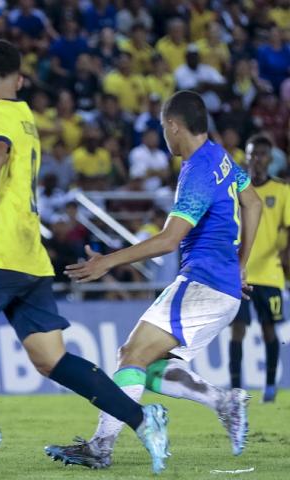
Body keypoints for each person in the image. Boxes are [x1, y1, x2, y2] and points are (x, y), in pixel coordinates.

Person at [0, 39, 170, 473]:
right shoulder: (26, 117)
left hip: (6, 253)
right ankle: (141, 417)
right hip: (30, 255)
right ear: (19, 79)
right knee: (51, 360)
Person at [45, 90, 262, 469]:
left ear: (174, 126)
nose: (165, 136)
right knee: (150, 365)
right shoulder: (220, 157)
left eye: (164, 129)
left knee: (130, 356)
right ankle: (223, 402)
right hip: (222, 287)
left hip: (203, 283)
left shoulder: (196, 171)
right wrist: (241, 264)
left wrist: (107, 262)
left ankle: (100, 447)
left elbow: (168, 240)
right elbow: (253, 204)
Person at [230, 134, 288, 403]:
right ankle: (235, 391)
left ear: (270, 158)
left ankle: (269, 387)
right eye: (253, 154)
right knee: (237, 330)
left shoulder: (282, 190)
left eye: (262, 154)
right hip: (238, 273)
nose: (257, 159)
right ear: (247, 156)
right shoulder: (236, 189)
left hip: (270, 273)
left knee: (268, 331)